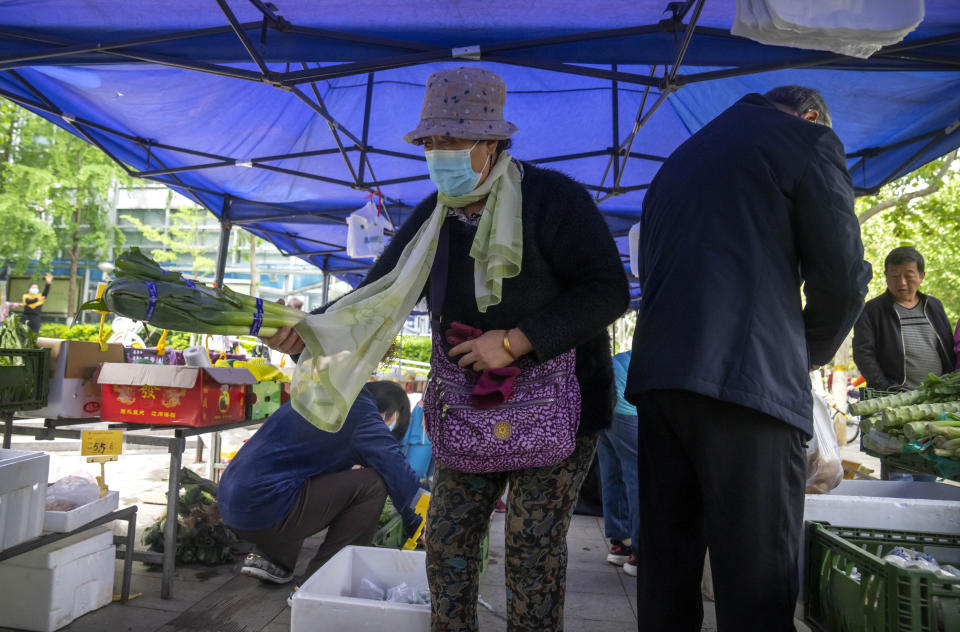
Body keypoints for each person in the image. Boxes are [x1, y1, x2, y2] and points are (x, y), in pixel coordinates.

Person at [265, 66, 629, 630]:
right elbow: (373, 298)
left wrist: (512, 342)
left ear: (492, 143)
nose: (440, 155)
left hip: (561, 406)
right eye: (431, 144)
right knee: (448, 542)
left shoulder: (554, 199)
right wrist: (308, 332)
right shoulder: (434, 217)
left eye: (453, 142)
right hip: (469, 407)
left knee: (533, 550)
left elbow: (607, 289)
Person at [626, 86, 871, 631]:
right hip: (748, 382)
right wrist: (805, 354)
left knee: (668, 567)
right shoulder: (808, 142)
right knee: (755, 578)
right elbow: (843, 278)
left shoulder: (679, 161)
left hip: (660, 382)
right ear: (812, 117)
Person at [218, 380, 422, 584]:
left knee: (310, 471)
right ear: (389, 414)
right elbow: (396, 470)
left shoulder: (327, 395)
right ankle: (323, 582)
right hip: (260, 508)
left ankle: (275, 560)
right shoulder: (364, 416)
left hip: (230, 501)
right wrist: (420, 521)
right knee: (373, 484)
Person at [852, 247, 956, 391]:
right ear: (886, 275)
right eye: (894, 276)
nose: (901, 282)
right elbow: (863, 353)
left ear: (921, 276)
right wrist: (885, 389)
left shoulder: (934, 306)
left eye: (908, 276)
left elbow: (949, 346)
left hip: (937, 395)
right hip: (895, 398)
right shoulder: (872, 310)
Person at [597, 349, 639, 577]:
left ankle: (620, 543)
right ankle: (639, 553)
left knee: (612, 474)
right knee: (637, 477)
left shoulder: (635, 350)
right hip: (626, 409)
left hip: (605, 404)